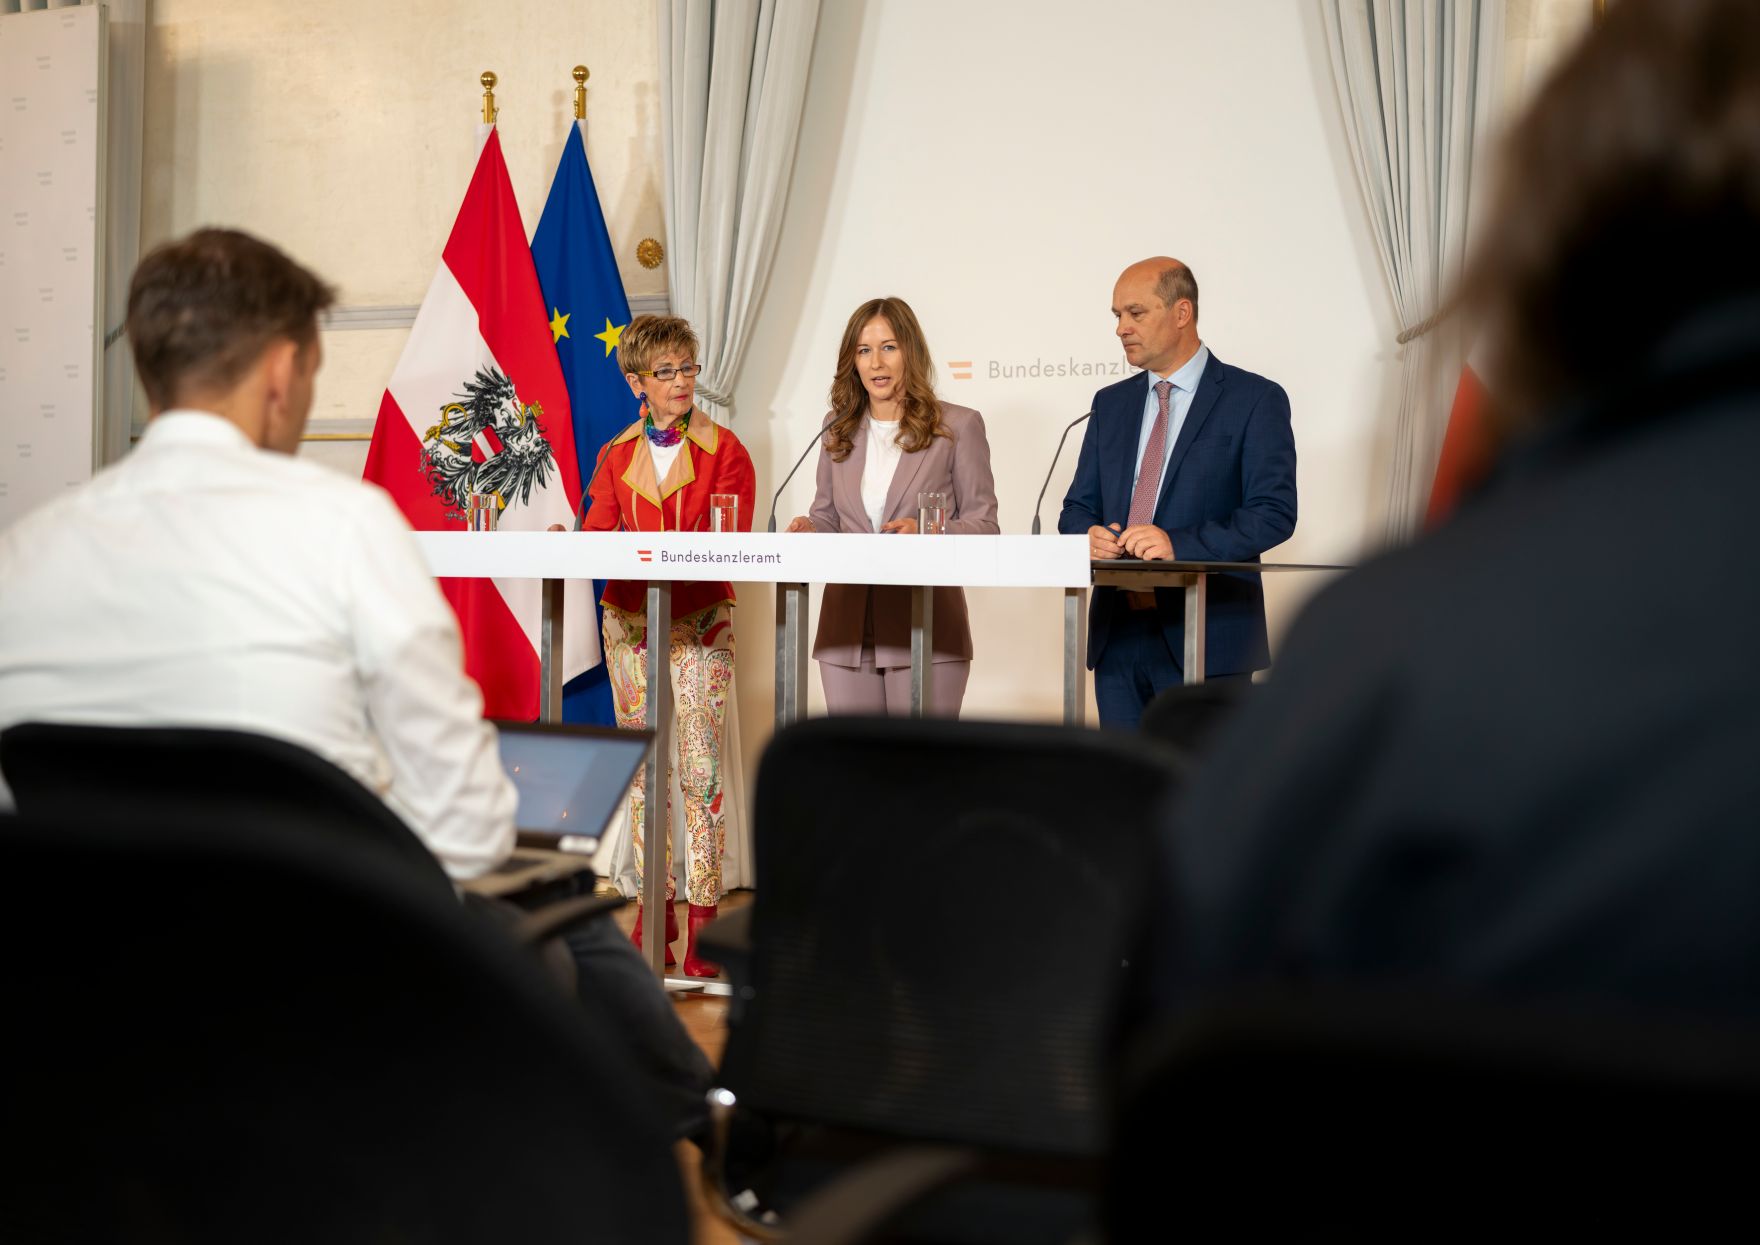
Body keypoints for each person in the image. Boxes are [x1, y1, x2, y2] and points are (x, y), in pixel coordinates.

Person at [0, 228, 713, 1136]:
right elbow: (469, 828)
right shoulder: (344, 528)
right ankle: (704, 1133)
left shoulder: (22, 560)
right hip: (329, 983)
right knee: (551, 880)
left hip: (95, 1017)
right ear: (284, 369)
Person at [1152, 0, 1760, 1024]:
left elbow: (1186, 1031)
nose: (1120, 329)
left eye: (1132, 309)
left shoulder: (1380, 652)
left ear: (1545, 242)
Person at [581, 314, 756, 977]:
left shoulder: (727, 448)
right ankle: (656, 916)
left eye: (689, 366)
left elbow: (733, 542)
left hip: (700, 615)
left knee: (701, 770)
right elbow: (596, 534)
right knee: (645, 774)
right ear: (637, 382)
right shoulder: (614, 454)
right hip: (630, 620)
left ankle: (706, 917)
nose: (683, 380)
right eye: (667, 371)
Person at [1058, 259, 1297, 728]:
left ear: (1182, 312)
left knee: (1202, 795)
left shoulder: (1254, 399)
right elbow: (1077, 506)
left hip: (1209, 638)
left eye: (1135, 313)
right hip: (1118, 637)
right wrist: (1085, 534)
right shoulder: (1110, 404)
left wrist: (1178, 544)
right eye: (1116, 316)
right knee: (1125, 793)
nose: (1121, 328)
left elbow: (1273, 512)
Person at [785, 297, 999, 716]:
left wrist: (928, 531)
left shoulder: (957, 426)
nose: (876, 362)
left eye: (889, 347)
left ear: (911, 352)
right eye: (864, 350)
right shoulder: (836, 427)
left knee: (922, 774)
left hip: (926, 627)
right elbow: (828, 517)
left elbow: (984, 525)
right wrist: (810, 530)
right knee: (858, 773)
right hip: (845, 630)